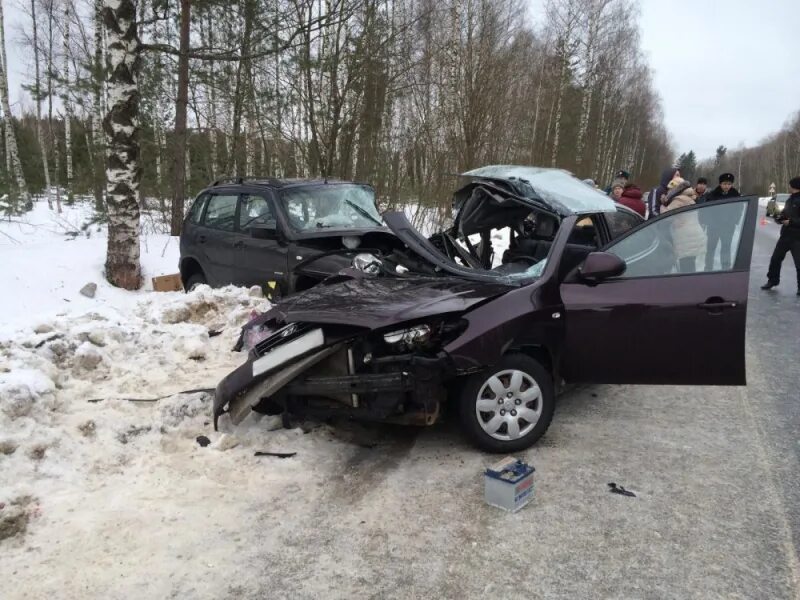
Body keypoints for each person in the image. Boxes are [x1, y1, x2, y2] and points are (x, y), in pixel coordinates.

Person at [761, 177, 800, 295]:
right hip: (785, 236)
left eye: (790, 185)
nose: (789, 187)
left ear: (794, 186)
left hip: (797, 237)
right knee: (775, 259)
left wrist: (791, 222)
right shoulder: (790, 199)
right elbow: (785, 213)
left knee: (799, 264)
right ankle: (772, 280)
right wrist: (779, 218)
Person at [661, 178, 705, 272]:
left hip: (686, 237)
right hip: (693, 235)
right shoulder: (688, 197)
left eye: (670, 189)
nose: (669, 191)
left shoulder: (679, 199)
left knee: (686, 266)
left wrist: (662, 205)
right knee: (690, 263)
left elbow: (666, 216)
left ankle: (688, 285)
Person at [703, 173, 741, 270]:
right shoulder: (712, 195)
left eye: (729, 184)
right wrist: (709, 222)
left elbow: (739, 209)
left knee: (726, 248)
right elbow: (706, 210)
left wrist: (734, 221)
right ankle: (708, 268)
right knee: (710, 249)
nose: (726, 186)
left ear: (731, 184)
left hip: (728, 227)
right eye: (724, 184)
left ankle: (725, 268)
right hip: (714, 227)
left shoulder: (735, 195)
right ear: (720, 184)